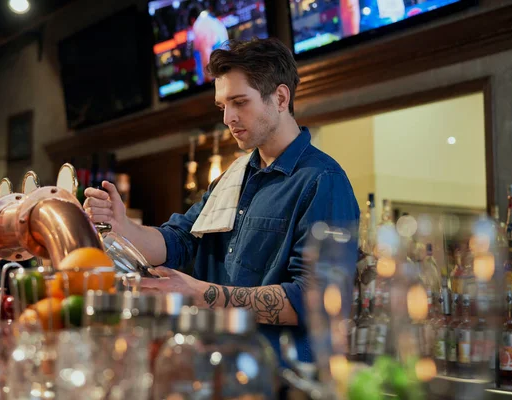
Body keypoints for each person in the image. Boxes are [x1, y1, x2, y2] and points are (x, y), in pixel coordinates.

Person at [84, 38, 360, 362]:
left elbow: (317, 301)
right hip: (217, 373)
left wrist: (199, 294)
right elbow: (180, 240)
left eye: (240, 102)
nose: (228, 118)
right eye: (222, 107)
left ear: (281, 97)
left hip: (281, 384)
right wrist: (123, 227)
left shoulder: (322, 181)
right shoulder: (233, 177)